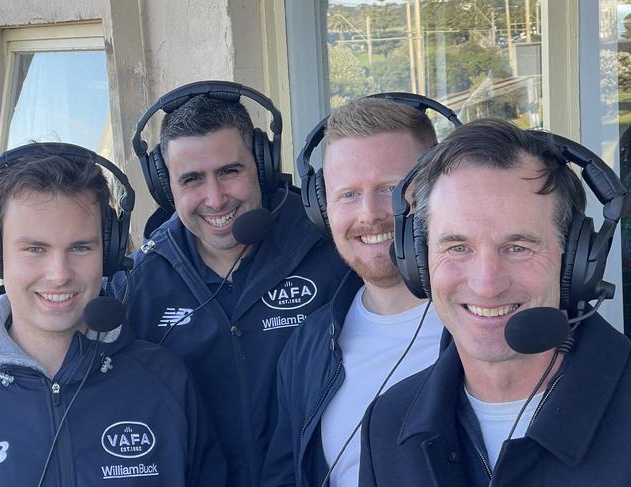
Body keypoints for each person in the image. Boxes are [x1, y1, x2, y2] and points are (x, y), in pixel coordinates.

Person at [359, 118, 631, 486]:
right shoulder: (387, 424)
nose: (487, 285)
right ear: (418, 261)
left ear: (577, 263)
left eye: (517, 247)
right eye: (457, 247)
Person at [110, 84, 348, 487]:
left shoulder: (334, 254)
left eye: (229, 171)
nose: (215, 199)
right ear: (166, 187)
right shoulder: (136, 287)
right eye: (191, 180)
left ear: (263, 163)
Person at [0, 144, 226, 486]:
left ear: (109, 252)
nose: (59, 273)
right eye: (35, 248)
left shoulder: (166, 380)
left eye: (81, 247)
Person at [261, 97, 445, 487]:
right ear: (320, 207)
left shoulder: (491, 323)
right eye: (347, 194)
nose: (370, 214)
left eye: (392, 189)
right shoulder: (308, 346)